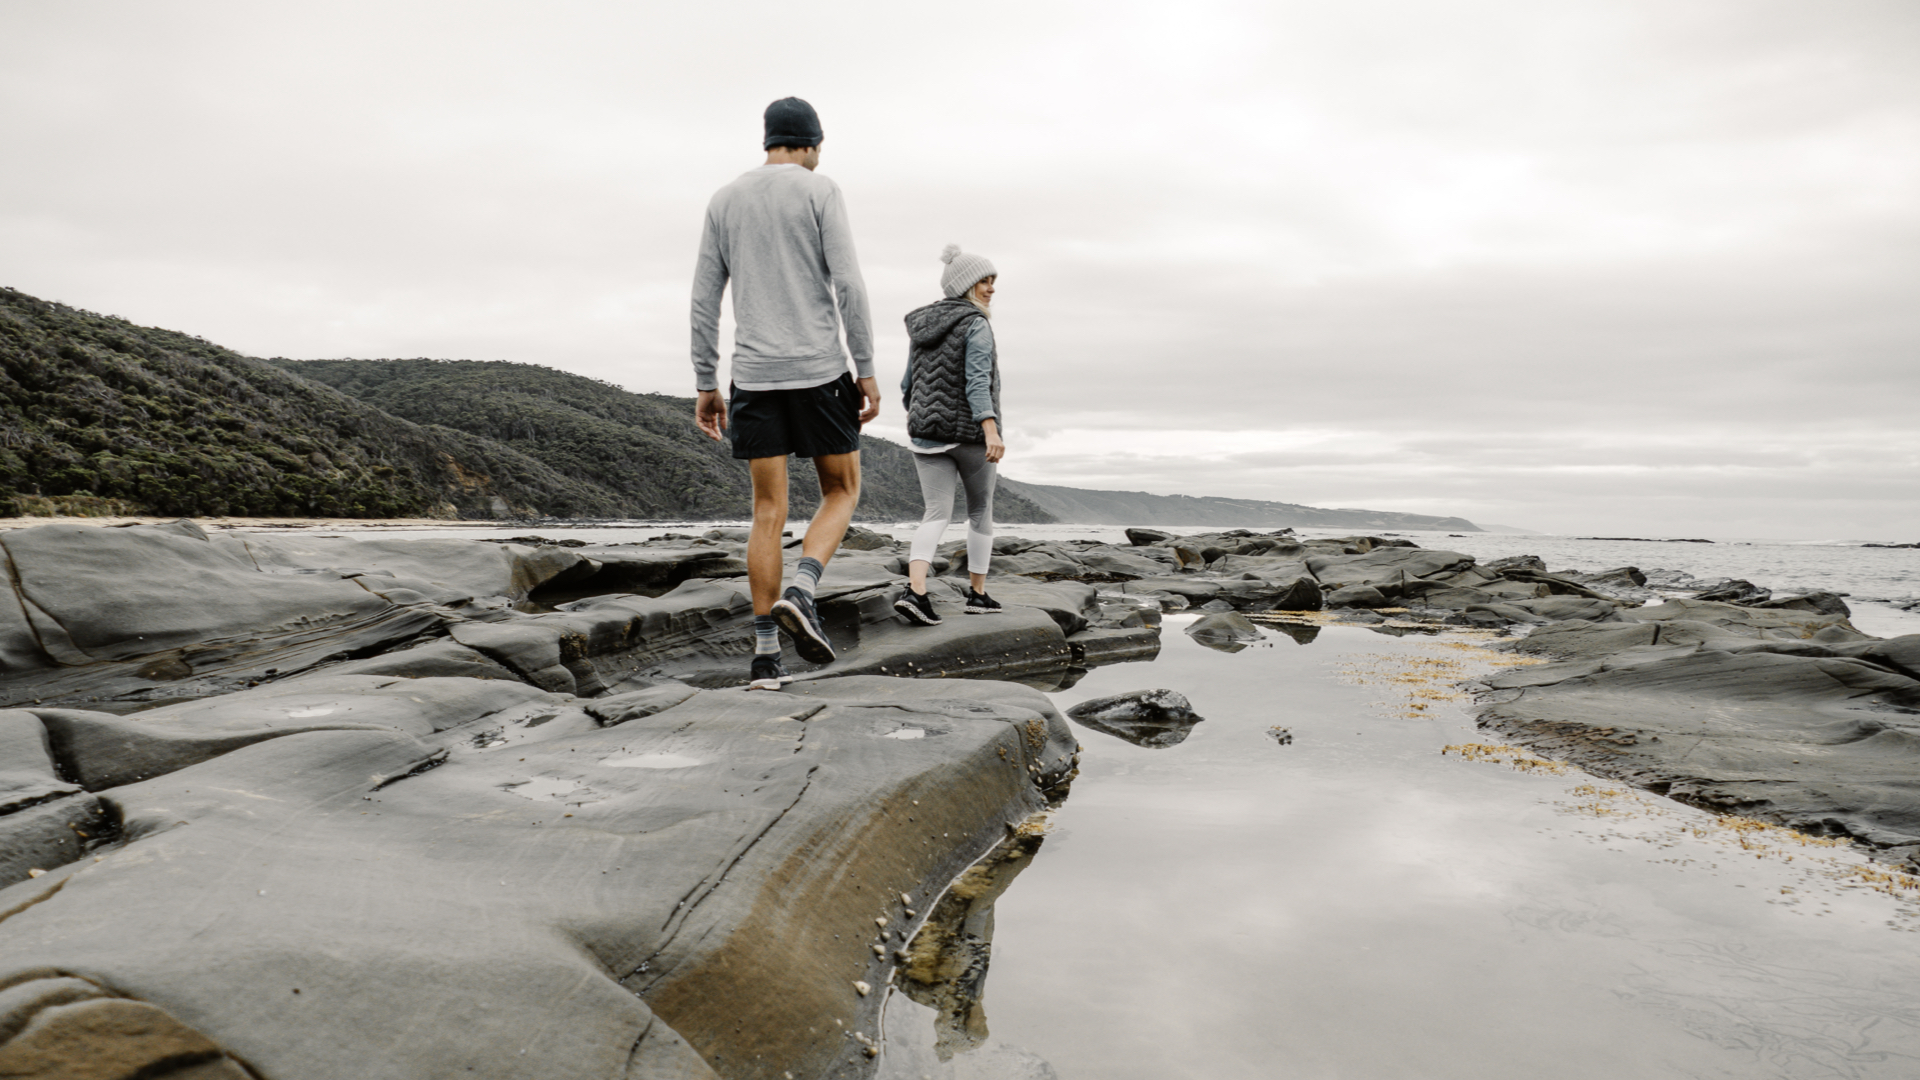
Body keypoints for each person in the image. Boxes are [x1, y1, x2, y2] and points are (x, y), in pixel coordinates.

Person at [690, 96, 880, 690]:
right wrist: (866, 367)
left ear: (769, 140)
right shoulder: (819, 191)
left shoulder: (725, 199)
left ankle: (766, 657)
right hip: (821, 370)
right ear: (813, 144)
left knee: (767, 513)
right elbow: (847, 282)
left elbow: (704, 298)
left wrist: (705, 380)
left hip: (755, 377)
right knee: (842, 489)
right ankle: (804, 587)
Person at [894, 244, 1005, 626]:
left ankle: (916, 592)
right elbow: (978, 382)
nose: (990, 288)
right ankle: (977, 594)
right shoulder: (976, 323)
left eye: (992, 282)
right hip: (970, 434)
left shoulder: (921, 327)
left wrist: (924, 417)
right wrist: (990, 429)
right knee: (979, 511)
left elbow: (908, 385)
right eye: (983, 281)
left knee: (936, 513)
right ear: (964, 285)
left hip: (925, 434)